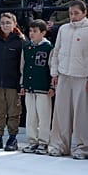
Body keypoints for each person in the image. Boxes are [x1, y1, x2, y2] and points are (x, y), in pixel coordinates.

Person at [48, 0, 88, 159]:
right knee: (61, 113)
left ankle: (83, 148)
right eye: (71, 13)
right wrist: (54, 73)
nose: (73, 16)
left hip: (82, 77)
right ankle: (59, 145)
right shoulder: (64, 29)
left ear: (84, 13)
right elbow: (57, 51)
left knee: (82, 114)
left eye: (76, 13)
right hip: (64, 75)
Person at [0, 13, 25, 152]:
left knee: (14, 111)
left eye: (8, 22)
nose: (5, 25)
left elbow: (23, 64)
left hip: (13, 83)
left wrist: (21, 84)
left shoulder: (20, 41)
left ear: (14, 24)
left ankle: (12, 137)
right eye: (2, 23)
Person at [20, 19, 54, 155]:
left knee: (44, 116)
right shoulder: (26, 47)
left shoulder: (48, 48)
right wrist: (22, 84)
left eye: (35, 31)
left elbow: (51, 68)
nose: (31, 34)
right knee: (31, 116)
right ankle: (32, 141)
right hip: (29, 87)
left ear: (43, 33)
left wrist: (52, 86)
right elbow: (23, 67)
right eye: (30, 31)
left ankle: (44, 142)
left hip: (43, 87)